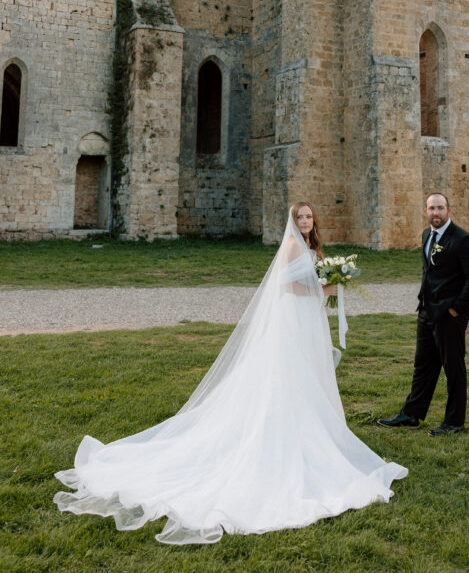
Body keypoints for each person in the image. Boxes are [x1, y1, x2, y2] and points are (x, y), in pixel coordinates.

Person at [54, 201, 406, 544]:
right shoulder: (290, 246)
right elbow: (285, 285)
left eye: (309, 217)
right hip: (293, 321)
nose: (305, 221)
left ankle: (308, 430)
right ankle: (284, 436)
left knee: (306, 378)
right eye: (300, 217)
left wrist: (327, 285)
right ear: (293, 220)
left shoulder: (311, 248)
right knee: (289, 377)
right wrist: (324, 288)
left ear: (314, 221)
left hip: (306, 319)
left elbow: (308, 283)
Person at [377, 193, 469, 436]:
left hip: (449, 314)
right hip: (426, 309)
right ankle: (411, 415)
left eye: (440, 208)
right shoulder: (427, 234)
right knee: (423, 364)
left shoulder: (463, 239)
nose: (436, 212)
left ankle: (454, 422)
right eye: (432, 208)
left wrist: (457, 308)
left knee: (453, 367)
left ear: (448, 210)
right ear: (425, 211)